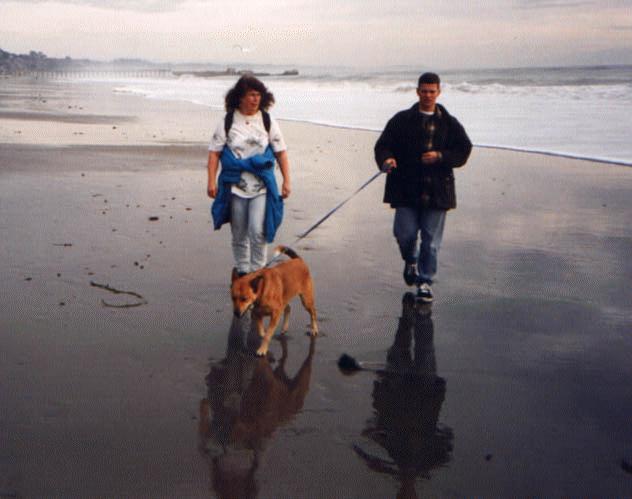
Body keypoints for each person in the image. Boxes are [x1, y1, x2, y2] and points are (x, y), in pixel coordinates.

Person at [374, 72, 472, 303]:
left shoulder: (450, 123)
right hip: (406, 189)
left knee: (431, 240)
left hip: (437, 190)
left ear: (438, 92)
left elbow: (464, 150)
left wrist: (440, 156)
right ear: (417, 91)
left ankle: (425, 281)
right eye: (424, 91)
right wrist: (387, 160)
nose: (428, 95)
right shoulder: (401, 120)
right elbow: (382, 146)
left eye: (432, 91)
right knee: (404, 234)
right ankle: (411, 260)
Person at [208, 75, 291, 276]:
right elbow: (214, 153)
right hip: (235, 186)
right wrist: (211, 181)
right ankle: (243, 271)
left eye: (259, 95)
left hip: (262, 186)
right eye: (251, 95)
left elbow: (280, 152)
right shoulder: (227, 121)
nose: (255, 99)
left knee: (257, 230)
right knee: (238, 233)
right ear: (240, 97)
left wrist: (287, 180)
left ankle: (258, 272)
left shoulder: (267, 120)